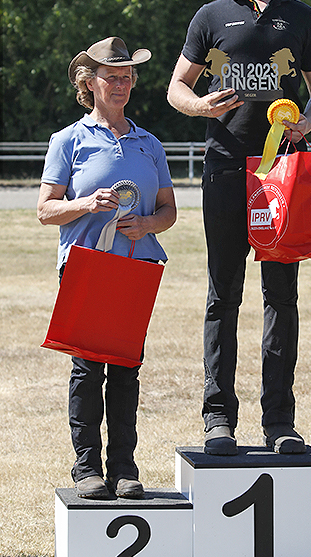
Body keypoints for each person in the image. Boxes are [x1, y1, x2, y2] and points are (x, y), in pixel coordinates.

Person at [166, 0, 311, 456]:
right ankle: (218, 418)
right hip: (224, 169)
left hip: (283, 174)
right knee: (224, 295)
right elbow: (176, 89)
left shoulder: (301, 16)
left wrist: (306, 123)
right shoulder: (209, 16)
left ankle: (279, 421)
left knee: (282, 296)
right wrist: (200, 109)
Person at [39, 37, 177, 498]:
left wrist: (147, 224)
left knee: (125, 371)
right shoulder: (68, 141)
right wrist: (84, 204)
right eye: (110, 76)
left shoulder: (150, 144)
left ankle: (123, 468)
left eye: (126, 77)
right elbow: (45, 210)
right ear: (89, 82)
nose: (120, 84)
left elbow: (168, 212)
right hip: (85, 268)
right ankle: (86, 468)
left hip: (135, 270)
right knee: (86, 370)